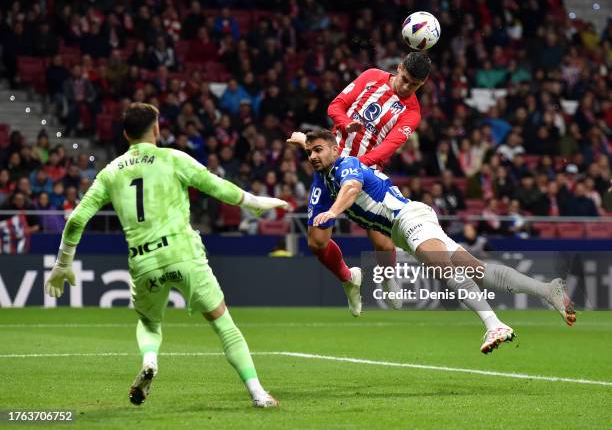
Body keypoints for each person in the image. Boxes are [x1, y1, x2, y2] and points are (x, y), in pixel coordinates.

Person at [44, 103, 286, 407]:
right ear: (156, 129)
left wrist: (62, 264)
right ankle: (258, 393)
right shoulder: (173, 158)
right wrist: (254, 201)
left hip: (143, 262)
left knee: (149, 323)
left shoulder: (110, 172)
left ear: (125, 134)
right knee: (223, 323)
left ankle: (150, 360)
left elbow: (77, 219)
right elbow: (216, 186)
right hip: (183, 252)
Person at [304, 129, 575, 354]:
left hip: (408, 219)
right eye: (309, 152)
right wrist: (299, 139)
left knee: (446, 272)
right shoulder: (327, 178)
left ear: (335, 149)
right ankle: (546, 291)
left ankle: (494, 324)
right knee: (478, 271)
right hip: (406, 226)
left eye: (318, 149)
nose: (312, 156)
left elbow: (351, 188)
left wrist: (333, 211)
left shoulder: (347, 164)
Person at [287, 52, 430, 312]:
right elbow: (335, 106)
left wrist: (352, 167)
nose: (408, 87)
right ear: (398, 68)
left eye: (415, 85)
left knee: (383, 243)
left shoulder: (412, 113)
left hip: (366, 173)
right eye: (406, 80)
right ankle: (349, 278)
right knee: (316, 242)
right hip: (330, 165)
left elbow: (388, 147)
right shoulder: (372, 77)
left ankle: (388, 278)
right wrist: (346, 124)